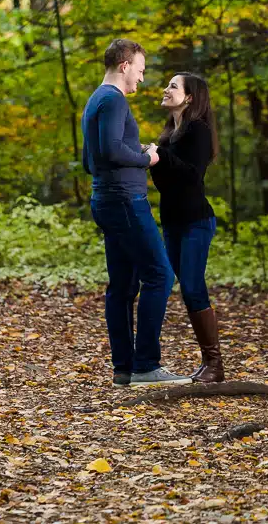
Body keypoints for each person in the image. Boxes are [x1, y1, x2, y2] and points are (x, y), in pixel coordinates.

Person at [80, 39, 193, 387]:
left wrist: (133, 151)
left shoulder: (94, 101)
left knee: (123, 286)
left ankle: (123, 368)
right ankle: (146, 365)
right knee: (160, 275)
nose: (142, 79)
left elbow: (91, 160)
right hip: (126, 202)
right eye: (141, 70)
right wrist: (147, 158)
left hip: (106, 200)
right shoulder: (113, 100)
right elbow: (112, 149)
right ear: (125, 65)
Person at [147, 73, 224, 383]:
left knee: (192, 286)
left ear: (190, 98)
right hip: (173, 223)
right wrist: (153, 158)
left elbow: (191, 176)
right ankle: (210, 364)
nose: (166, 90)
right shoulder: (170, 134)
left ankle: (215, 364)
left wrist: (159, 157)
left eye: (173, 86)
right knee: (185, 287)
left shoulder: (198, 132)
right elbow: (166, 183)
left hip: (196, 222)